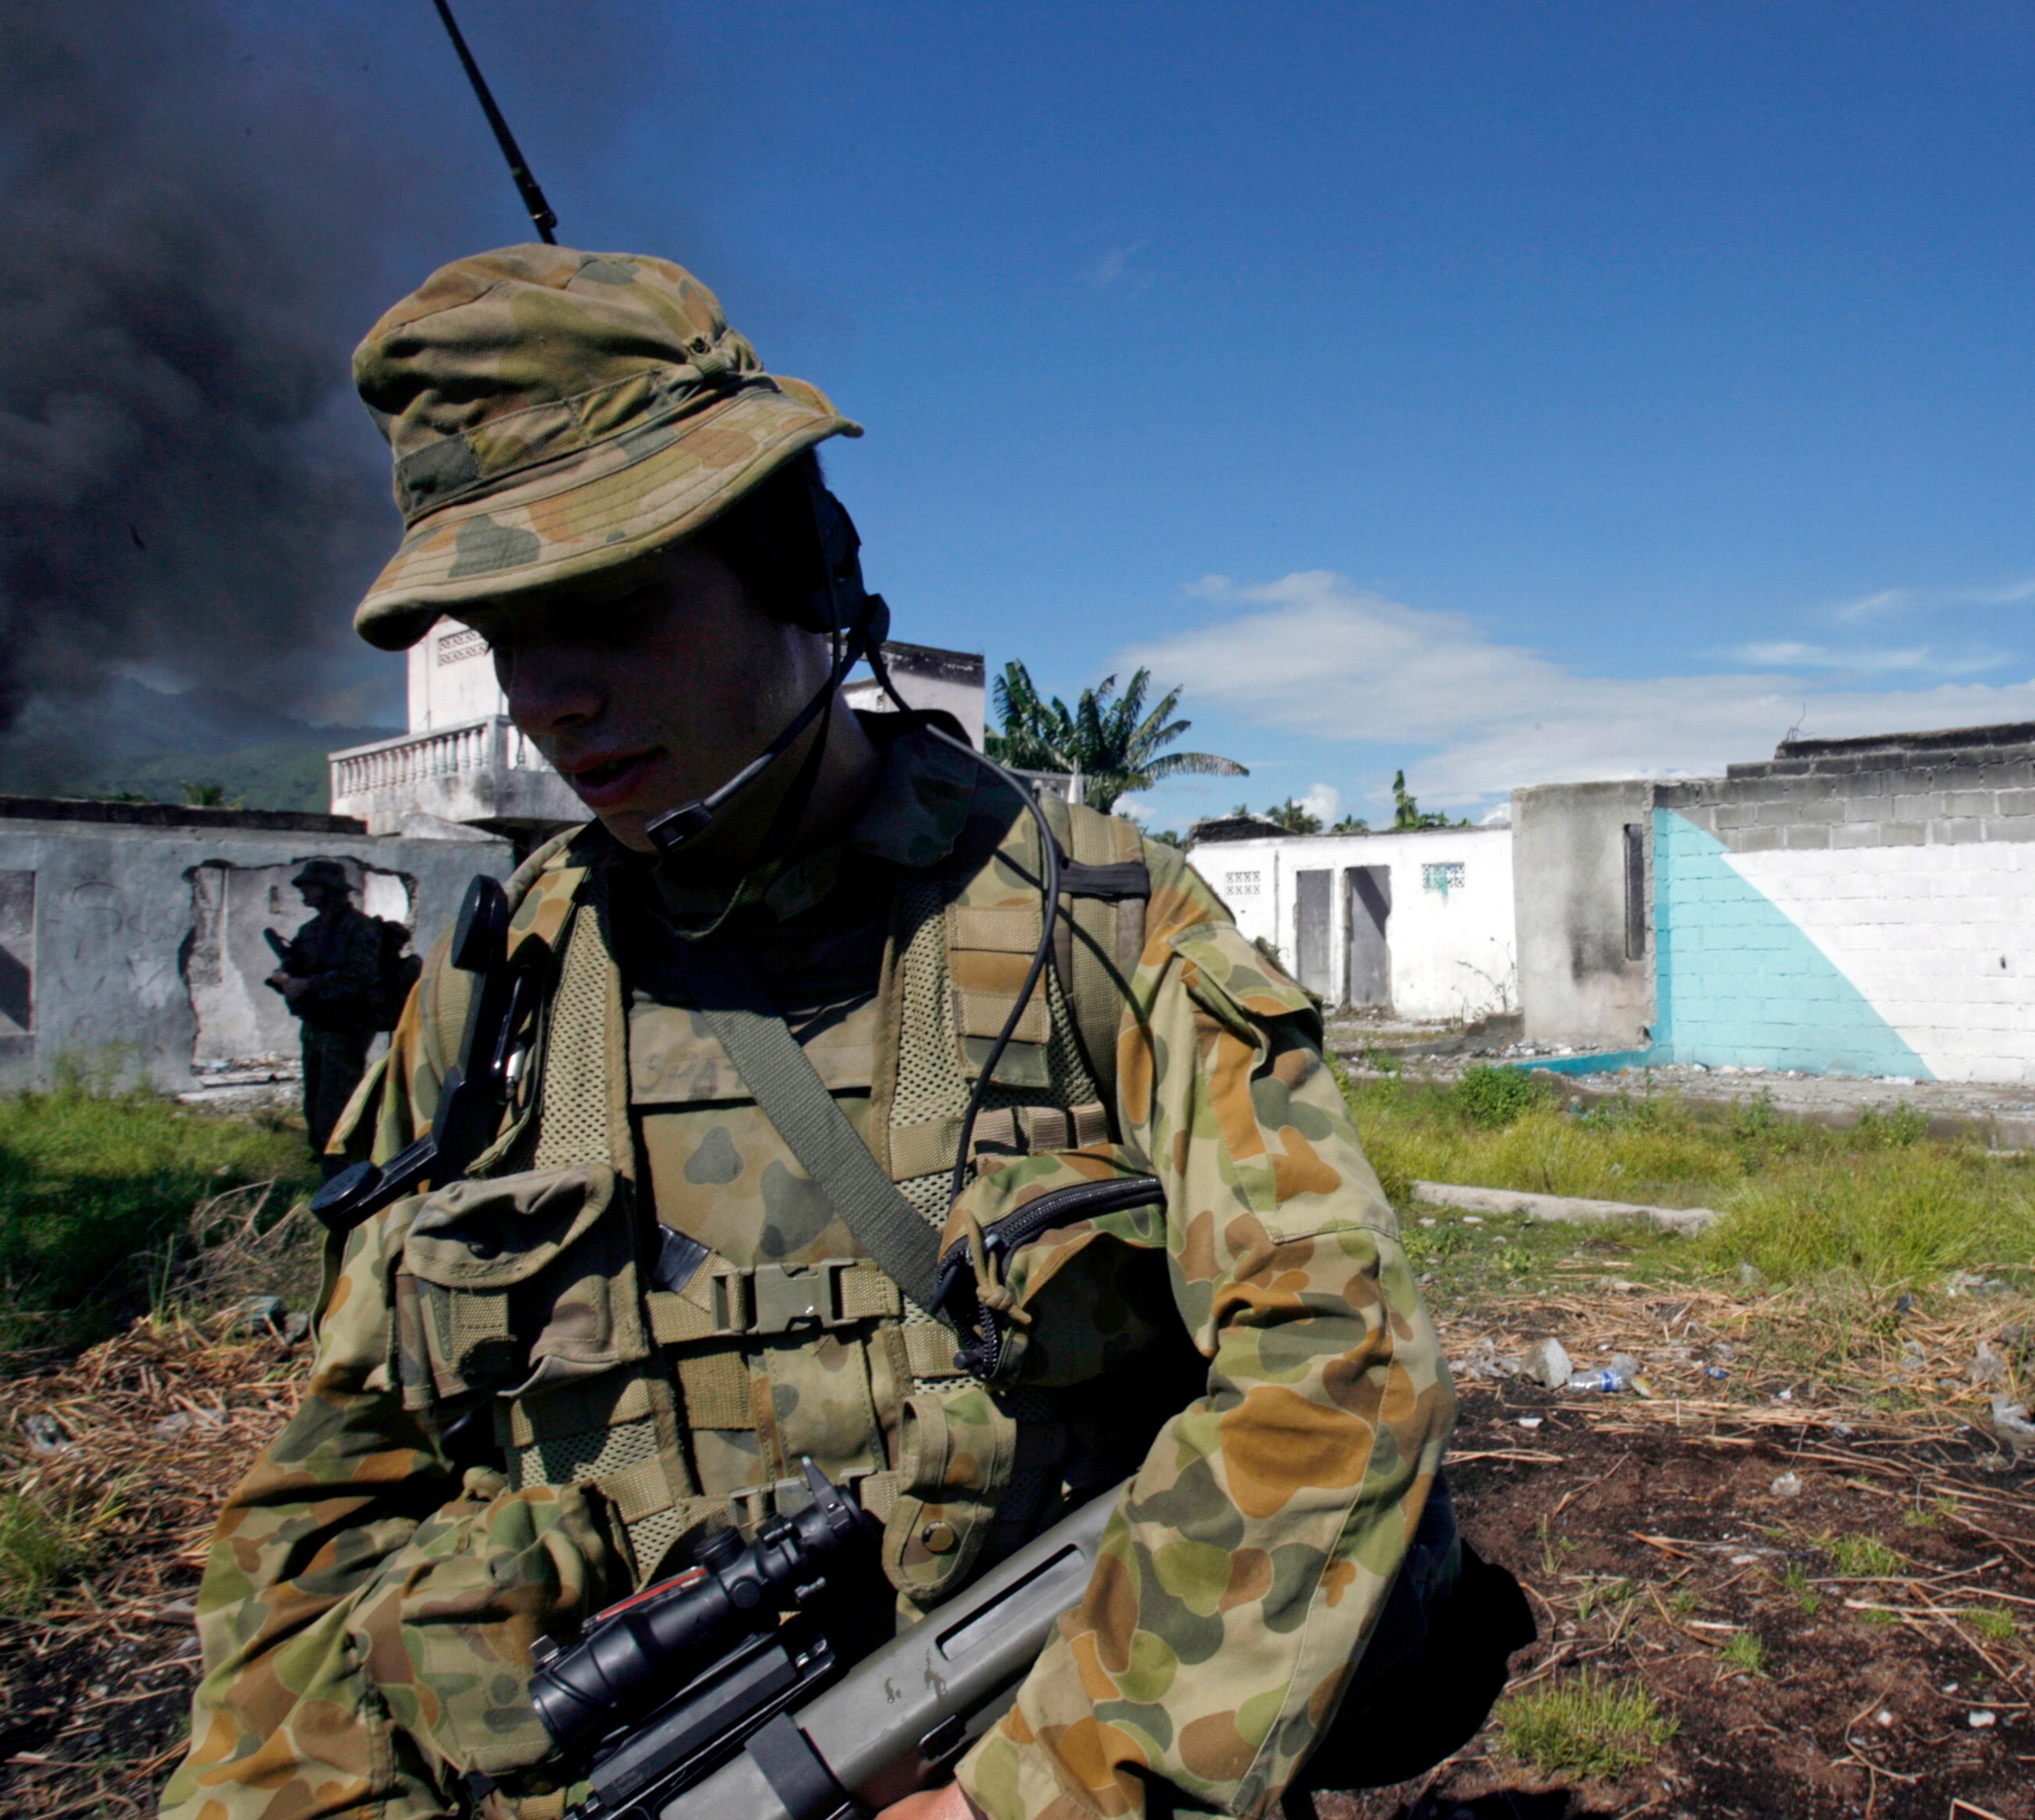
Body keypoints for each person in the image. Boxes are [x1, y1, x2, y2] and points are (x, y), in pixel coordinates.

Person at [160, 247, 1470, 1820]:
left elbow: (1335, 1346)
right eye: (505, 635)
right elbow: (334, 1490)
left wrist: (1040, 1793)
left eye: (612, 611)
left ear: (806, 572)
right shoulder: (497, 995)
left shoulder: (1096, 922)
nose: (551, 700)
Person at [264, 859, 400, 1162]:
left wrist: (309, 985)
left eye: (310, 886)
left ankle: (349, 1164)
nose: (304, 892)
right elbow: (297, 968)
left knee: (338, 1103)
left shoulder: (359, 928)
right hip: (316, 1026)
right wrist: (283, 979)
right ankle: (327, 1161)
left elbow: (360, 979)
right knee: (314, 1103)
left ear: (330, 889)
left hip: (346, 1027)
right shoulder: (310, 931)